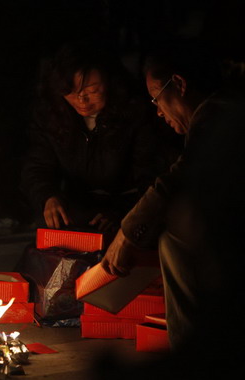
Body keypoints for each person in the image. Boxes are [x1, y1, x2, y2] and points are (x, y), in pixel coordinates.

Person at [96, 38, 245, 380]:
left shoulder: (218, 113)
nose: (158, 112)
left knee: (176, 242)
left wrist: (127, 234)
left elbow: (176, 179)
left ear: (178, 84)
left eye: (156, 98)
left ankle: (195, 363)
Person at [21, 39, 164, 239]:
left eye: (92, 91)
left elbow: (151, 176)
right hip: (77, 212)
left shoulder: (134, 113)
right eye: (71, 92)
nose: (82, 101)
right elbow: (37, 166)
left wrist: (123, 213)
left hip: (128, 212)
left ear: (109, 82)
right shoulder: (51, 115)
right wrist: (48, 196)